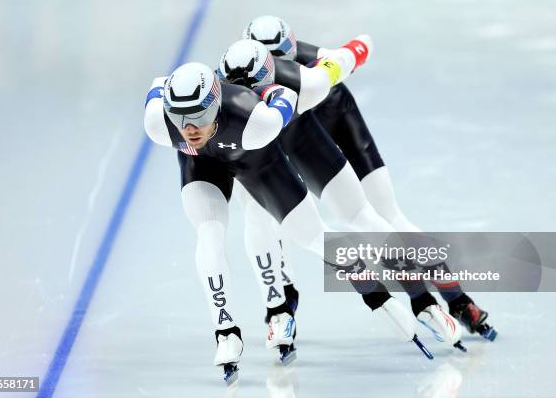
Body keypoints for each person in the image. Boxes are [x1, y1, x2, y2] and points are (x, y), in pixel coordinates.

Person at [144, 56, 432, 384]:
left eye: (200, 115)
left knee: (312, 237)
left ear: (217, 106)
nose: (190, 129)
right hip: (204, 166)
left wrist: (277, 88)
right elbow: (157, 84)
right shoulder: (159, 123)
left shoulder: (254, 120)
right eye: (180, 117)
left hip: (257, 160)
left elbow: (289, 96)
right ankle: (226, 331)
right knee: (209, 234)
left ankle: (375, 293)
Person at [241, 15, 497, 341]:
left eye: (280, 65)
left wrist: (350, 53)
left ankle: (451, 298)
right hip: (294, 124)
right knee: (270, 211)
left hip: (329, 112)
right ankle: (450, 300)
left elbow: (353, 52)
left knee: (384, 214)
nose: (274, 76)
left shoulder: (306, 73)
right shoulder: (251, 75)